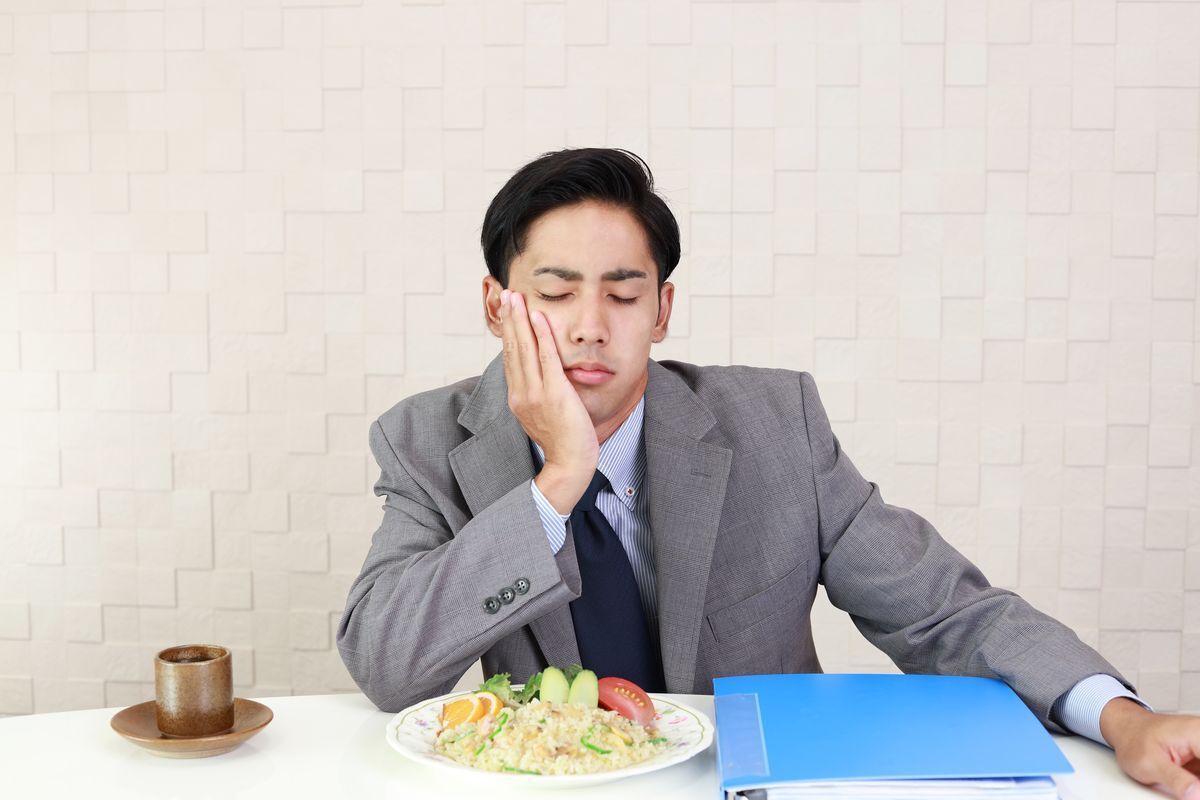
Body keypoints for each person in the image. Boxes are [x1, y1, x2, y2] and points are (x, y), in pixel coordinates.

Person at [337, 148, 1200, 799]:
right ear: (498, 305)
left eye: (623, 294)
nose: (589, 327)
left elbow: (944, 610)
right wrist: (558, 479)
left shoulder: (775, 425)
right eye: (555, 294)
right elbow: (385, 664)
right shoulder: (424, 441)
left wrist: (1123, 718)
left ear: (663, 310)